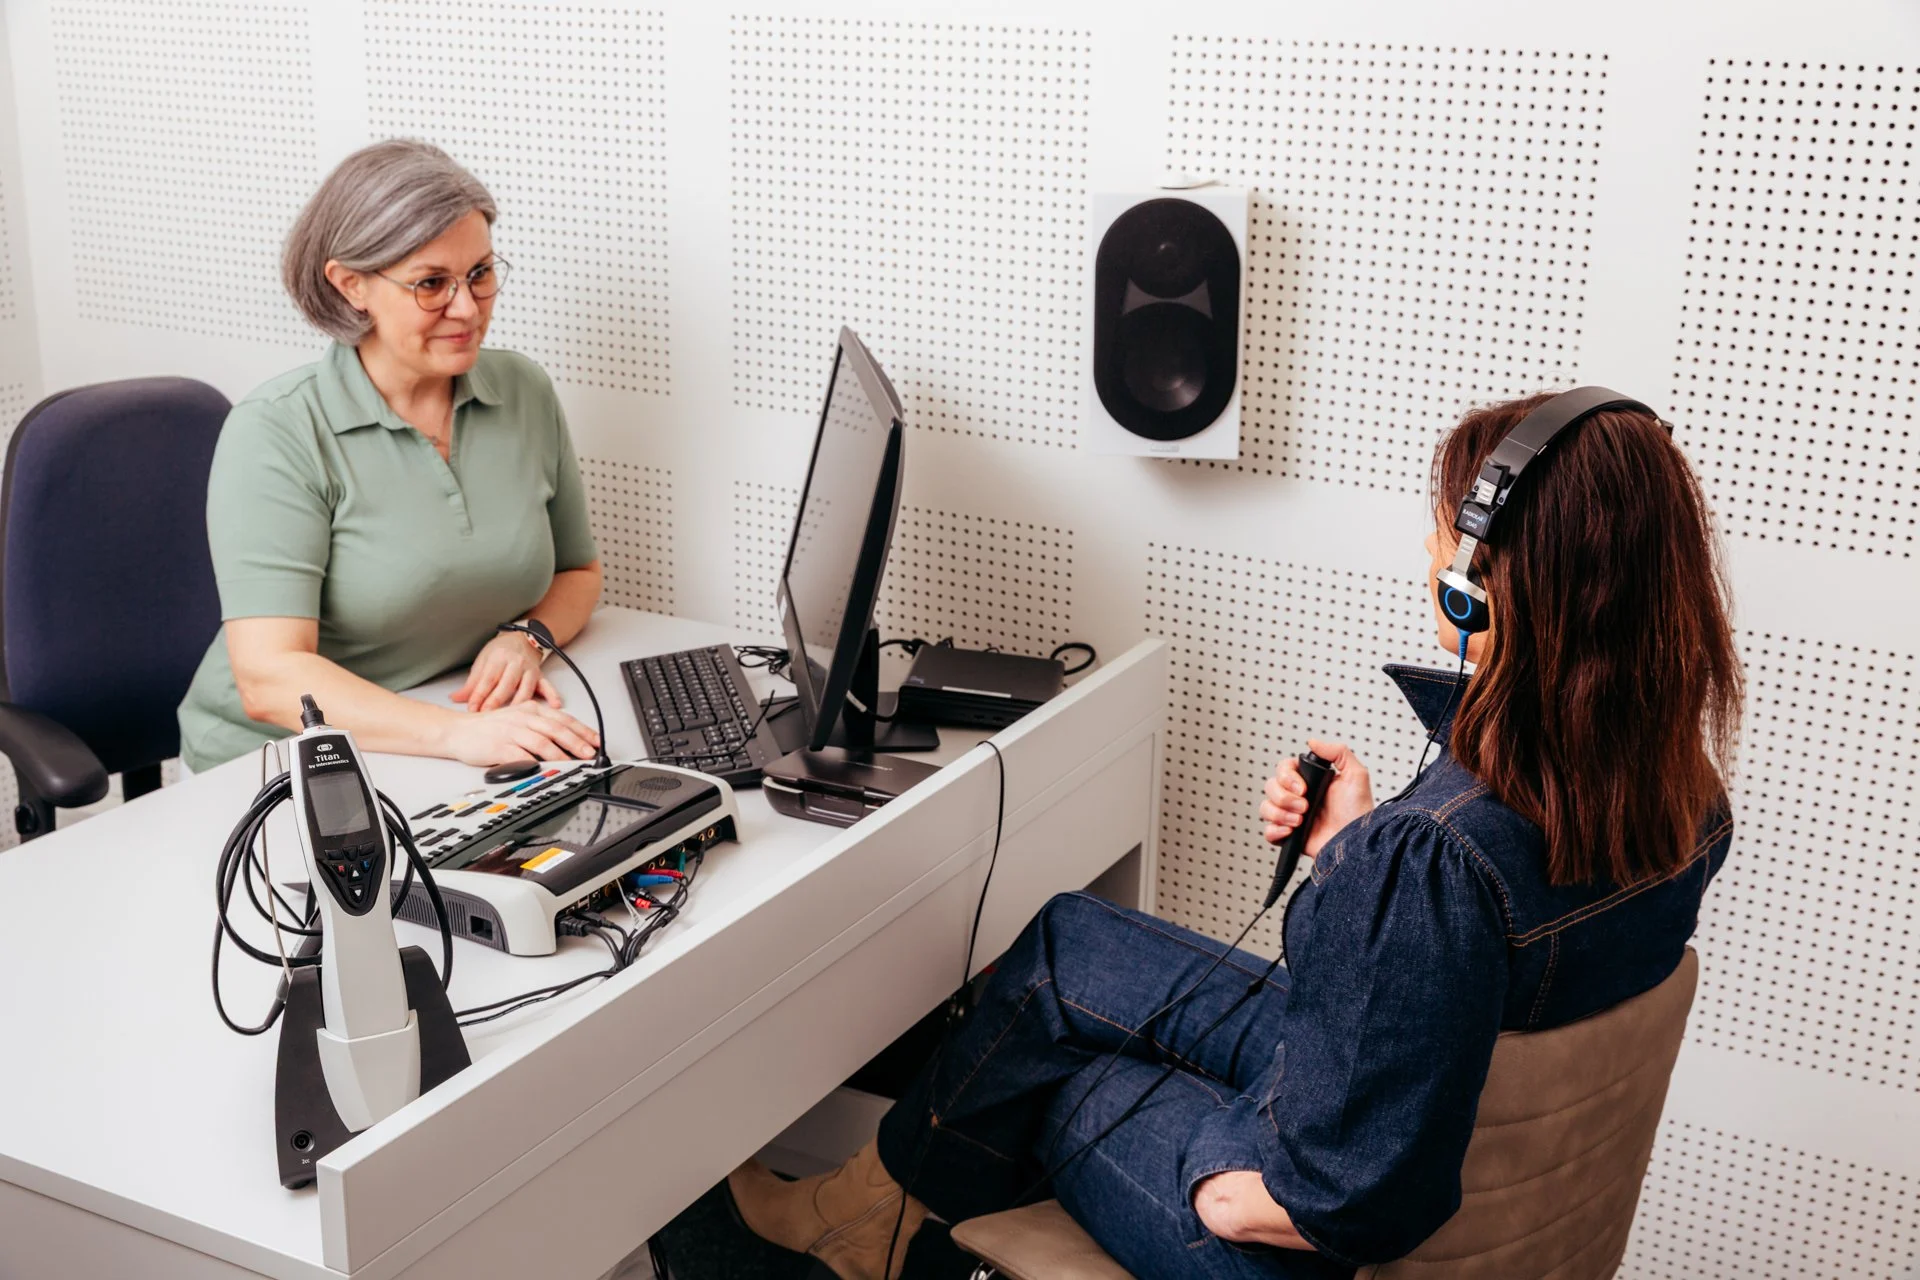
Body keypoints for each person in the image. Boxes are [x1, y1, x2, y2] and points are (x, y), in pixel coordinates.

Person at [725, 393, 1743, 1279]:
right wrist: (1353, 846)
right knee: (1067, 944)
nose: (1430, 546)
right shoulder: (1675, 792)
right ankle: (869, 1218)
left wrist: (1224, 1186)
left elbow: (1347, 1192)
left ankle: (867, 1223)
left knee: (1045, 1070)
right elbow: (1483, 977)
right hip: (1440, 1122)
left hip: (1302, 1249)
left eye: (1445, 532)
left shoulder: (1433, 855)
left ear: (1477, 582)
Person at [177, 140, 604, 773]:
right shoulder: (278, 430)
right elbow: (268, 678)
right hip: (281, 762)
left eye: (481, 273)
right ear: (351, 285)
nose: (467, 307)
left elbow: (577, 573)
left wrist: (527, 639)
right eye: (432, 283)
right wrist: (454, 736)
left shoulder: (523, 391)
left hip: (438, 729)